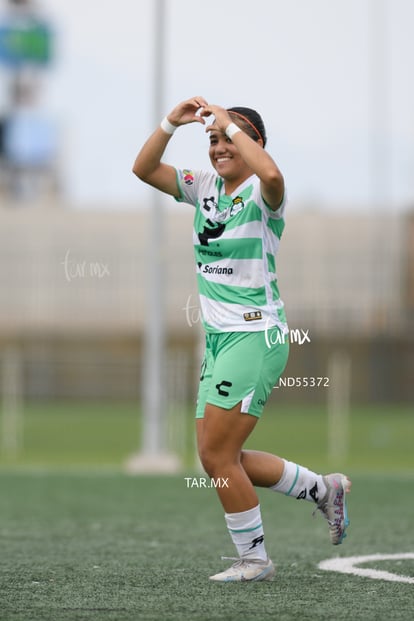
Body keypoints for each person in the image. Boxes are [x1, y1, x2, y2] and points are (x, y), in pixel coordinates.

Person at [132, 96, 351, 583]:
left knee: (215, 456)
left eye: (228, 139)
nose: (218, 147)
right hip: (219, 341)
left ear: (253, 143)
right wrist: (172, 121)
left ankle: (255, 561)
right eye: (212, 140)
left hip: (255, 335)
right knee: (218, 456)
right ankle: (322, 489)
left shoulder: (262, 192)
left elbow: (273, 177)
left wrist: (232, 126)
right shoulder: (204, 187)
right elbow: (143, 168)